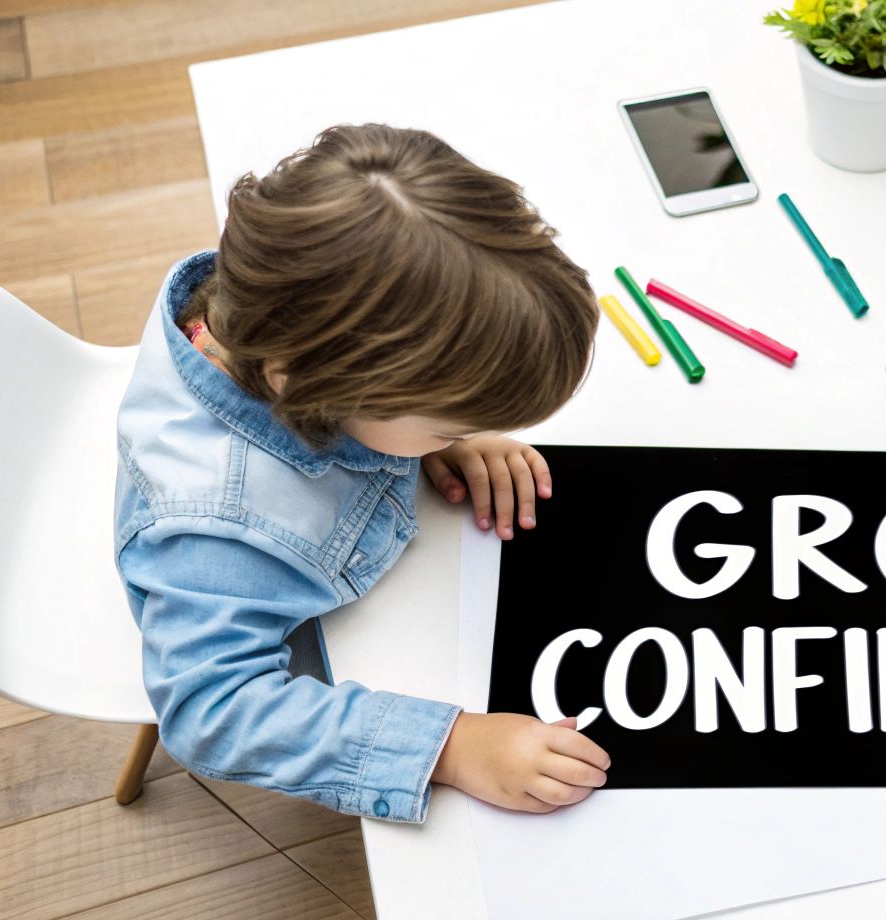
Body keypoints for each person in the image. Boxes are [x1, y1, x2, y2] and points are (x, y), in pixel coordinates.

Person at [115, 124, 613, 823]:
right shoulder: (217, 531)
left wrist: (429, 435)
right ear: (315, 387)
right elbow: (214, 712)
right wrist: (449, 747)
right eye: (447, 423)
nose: (465, 437)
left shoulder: (282, 300)